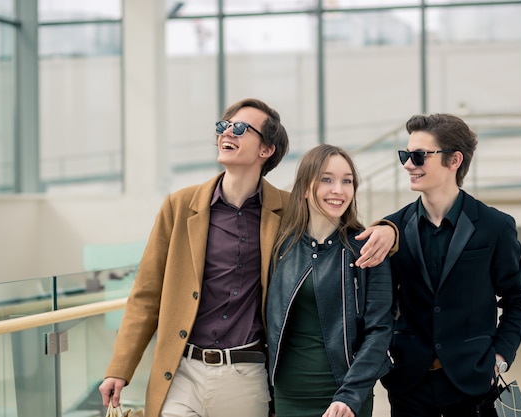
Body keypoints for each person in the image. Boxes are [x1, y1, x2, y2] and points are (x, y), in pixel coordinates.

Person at [98, 98, 395, 417]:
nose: (228, 133)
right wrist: (120, 367)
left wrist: (389, 229)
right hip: (181, 370)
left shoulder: (286, 214)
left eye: (240, 128)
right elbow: (146, 293)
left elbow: (337, 223)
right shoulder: (180, 206)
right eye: (223, 127)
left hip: (247, 372)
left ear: (266, 149)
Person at [380, 113, 521, 417]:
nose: (408, 164)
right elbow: (381, 305)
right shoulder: (393, 228)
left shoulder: (495, 227)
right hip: (409, 384)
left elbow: (516, 302)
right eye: (405, 155)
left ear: (454, 160)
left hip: (473, 383)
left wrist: (499, 357)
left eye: (419, 156)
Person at [267, 144, 394, 417]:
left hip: (344, 395)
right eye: (327, 179)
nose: (339, 189)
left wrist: (351, 395)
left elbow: (380, 330)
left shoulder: (367, 249)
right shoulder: (279, 246)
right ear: (303, 188)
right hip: (288, 395)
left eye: (347, 181)